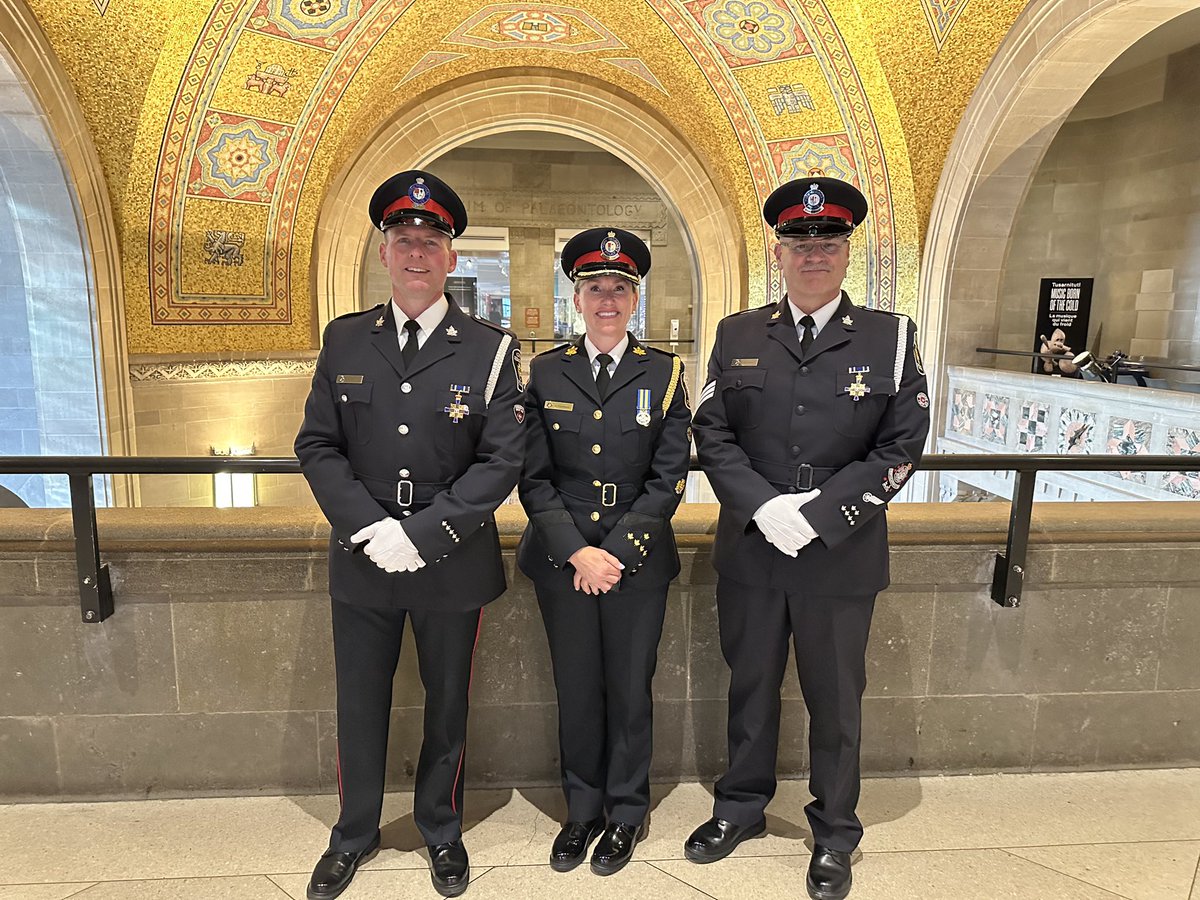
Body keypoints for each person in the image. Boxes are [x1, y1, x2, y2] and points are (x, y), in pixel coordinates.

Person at [686, 177, 930, 900]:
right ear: (779, 252)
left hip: (839, 554)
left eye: (826, 242)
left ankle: (833, 832)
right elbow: (712, 430)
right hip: (754, 549)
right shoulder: (738, 333)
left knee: (835, 698)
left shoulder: (892, 337)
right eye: (799, 243)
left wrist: (820, 513)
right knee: (751, 686)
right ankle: (740, 809)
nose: (813, 254)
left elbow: (902, 445)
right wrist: (764, 508)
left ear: (846, 251)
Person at [294, 170, 524, 899]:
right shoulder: (345, 339)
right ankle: (354, 832)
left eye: (431, 241)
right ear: (384, 252)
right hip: (363, 556)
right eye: (403, 239)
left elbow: (502, 460)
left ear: (451, 257)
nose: (417, 252)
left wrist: (421, 534)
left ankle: (440, 828)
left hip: (450, 557)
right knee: (359, 700)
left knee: (447, 701)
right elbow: (317, 445)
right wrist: (370, 528)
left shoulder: (489, 349)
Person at [517, 228, 692, 876]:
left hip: (637, 562)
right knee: (577, 690)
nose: (608, 299)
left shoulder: (667, 373)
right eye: (596, 288)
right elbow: (533, 479)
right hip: (564, 565)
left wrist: (614, 551)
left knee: (629, 689)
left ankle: (625, 813)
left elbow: (669, 477)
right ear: (578, 297)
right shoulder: (544, 371)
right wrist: (577, 554)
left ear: (636, 297)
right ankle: (582, 812)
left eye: (620, 288)